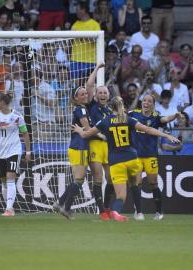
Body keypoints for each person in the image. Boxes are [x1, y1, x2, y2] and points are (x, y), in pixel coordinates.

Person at [72, 96, 180, 222]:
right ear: (121, 107)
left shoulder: (105, 121)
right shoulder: (129, 119)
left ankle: (115, 210)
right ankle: (138, 213)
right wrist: (166, 135)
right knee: (135, 184)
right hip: (132, 158)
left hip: (115, 162)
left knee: (121, 195)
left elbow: (85, 134)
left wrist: (80, 130)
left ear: (110, 107)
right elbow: (148, 130)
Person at [129, 94, 181, 220]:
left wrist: (174, 116)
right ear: (141, 102)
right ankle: (139, 212)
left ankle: (159, 212)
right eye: (144, 100)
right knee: (137, 183)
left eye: (149, 101)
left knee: (153, 183)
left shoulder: (156, 116)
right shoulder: (133, 114)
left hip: (151, 155)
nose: (146, 103)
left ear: (153, 104)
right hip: (136, 155)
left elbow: (165, 119)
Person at [0, 93, 31, 217]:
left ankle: (9, 209)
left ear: (3, 102)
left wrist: (28, 152)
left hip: (14, 151)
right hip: (0, 152)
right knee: (4, 181)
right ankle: (8, 207)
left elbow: (25, 134)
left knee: (10, 178)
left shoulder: (17, 116)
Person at [53, 85, 91, 220]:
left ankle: (60, 203)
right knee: (79, 179)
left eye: (86, 93)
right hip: (79, 147)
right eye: (82, 94)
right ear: (75, 98)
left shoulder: (81, 108)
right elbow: (88, 128)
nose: (85, 95)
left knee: (78, 180)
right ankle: (66, 208)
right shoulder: (80, 109)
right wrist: (102, 133)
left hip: (77, 147)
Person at [85, 64, 114, 221]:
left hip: (108, 146)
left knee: (111, 177)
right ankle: (102, 211)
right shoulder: (92, 106)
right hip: (95, 144)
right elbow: (89, 85)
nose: (102, 94)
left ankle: (107, 207)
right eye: (100, 92)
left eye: (105, 92)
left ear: (108, 96)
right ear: (96, 95)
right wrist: (97, 68)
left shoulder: (110, 112)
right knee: (98, 177)